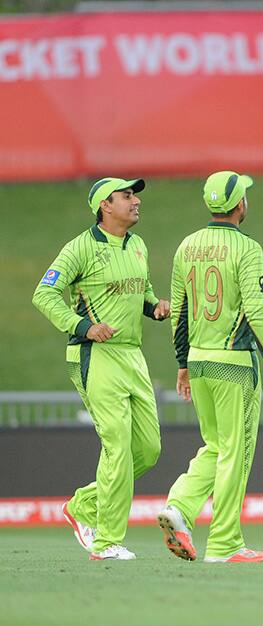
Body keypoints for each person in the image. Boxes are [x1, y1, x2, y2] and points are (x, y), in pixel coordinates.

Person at [32, 177, 169, 560]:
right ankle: (107, 541)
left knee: (149, 448)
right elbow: (43, 293)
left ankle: (83, 506)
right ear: (104, 206)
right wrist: (83, 326)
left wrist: (154, 306)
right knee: (117, 446)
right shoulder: (81, 247)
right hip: (95, 355)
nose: (135, 200)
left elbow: (140, 292)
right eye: (127, 195)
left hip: (132, 355)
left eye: (135, 194)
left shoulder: (138, 245)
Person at [157, 171, 263, 564]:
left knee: (215, 446)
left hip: (198, 360)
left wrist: (182, 363)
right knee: (236, 451)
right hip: (234, 362)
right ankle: (226, 542)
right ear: (238, 205)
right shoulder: (248, 248)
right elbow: (257, 309)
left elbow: (178, 313)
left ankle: (179, 505)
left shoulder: (187, 246)